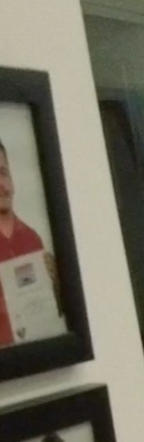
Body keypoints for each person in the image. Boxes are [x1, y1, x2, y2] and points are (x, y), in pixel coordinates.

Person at [0, 138, 65, 348]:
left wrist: (59, 284)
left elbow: (56, 312)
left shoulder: (33, 238)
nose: (1, 185)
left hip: (39, 353)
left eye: (3, 173)